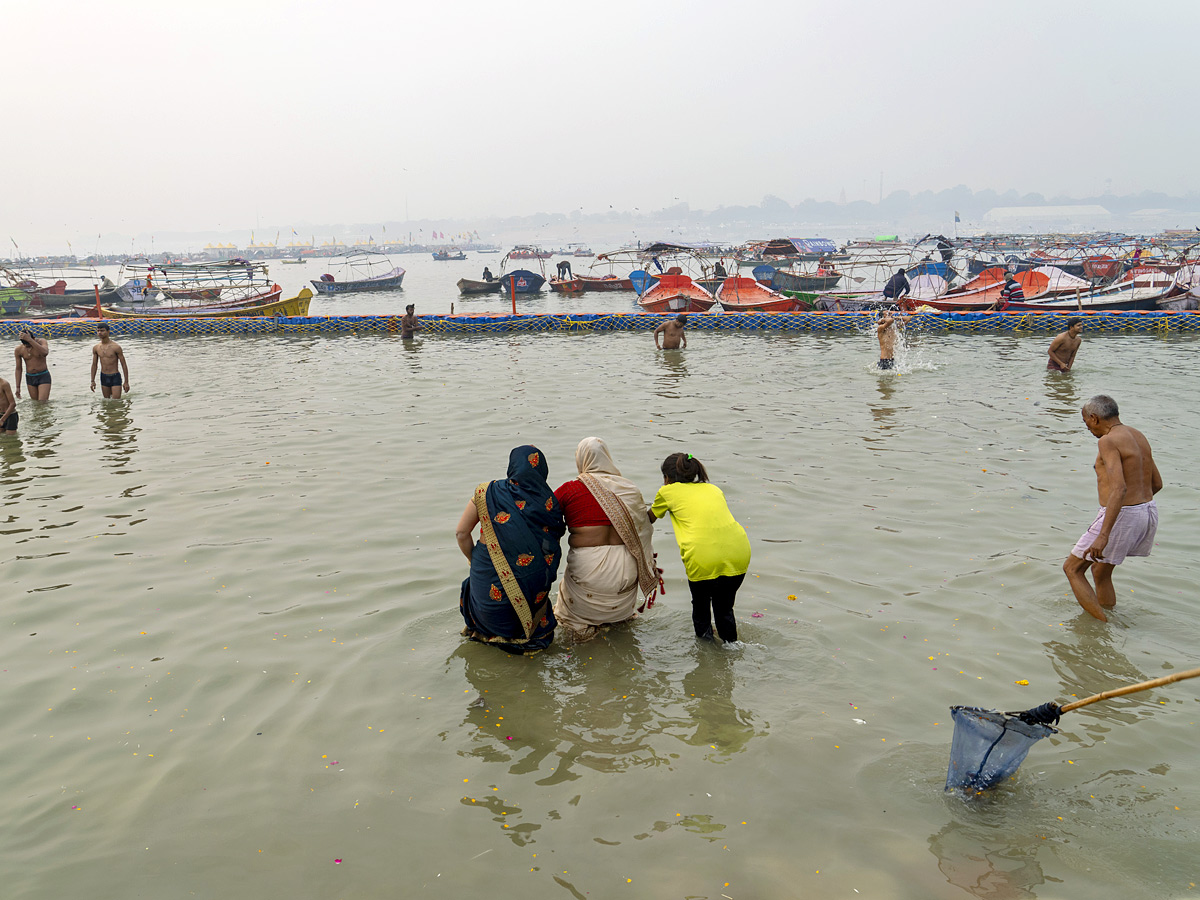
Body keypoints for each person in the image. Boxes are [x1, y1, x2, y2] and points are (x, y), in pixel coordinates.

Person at [455, 445, 566, 653]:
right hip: (528, 599)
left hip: (487, 601)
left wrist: (476, 561)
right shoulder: (548, 503)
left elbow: (461, 533)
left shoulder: (486, 492)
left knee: (471, 583)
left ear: (512, 466)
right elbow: (549, 551)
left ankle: (482, 632)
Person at [1063, 395, 1162, 622]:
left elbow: (1119, 489)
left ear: (1094, 418)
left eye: (1085, 421)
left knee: (1073, 569)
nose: (1087, 427)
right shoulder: (1138, 435)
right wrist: (1136, 509)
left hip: (1123, 514)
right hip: (1147, 510)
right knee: (1100, 571)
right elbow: (1157, 484)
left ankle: (1103, 628)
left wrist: (1104, 534)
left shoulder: (1107, 441)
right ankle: (1107, 616)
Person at [552, 437, 660, 641]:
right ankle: (619, 619)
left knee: (567, 616)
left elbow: (545, 522)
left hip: (588, 576)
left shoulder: (570, 490)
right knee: (619, 620)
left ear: (581, 460)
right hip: (626, 576)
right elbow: (644, 527)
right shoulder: (630, 489)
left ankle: (580, 628)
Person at [649, 453, 751, 644]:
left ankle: (706, 659)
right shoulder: (713, 489)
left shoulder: (667, 492)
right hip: (739, 552)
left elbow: (648, 519)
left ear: (667, 478)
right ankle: (730, 649)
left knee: (702, 610)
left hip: (703, 557)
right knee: (724, 609)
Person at [90, 323, 130, 399]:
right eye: (98, 331)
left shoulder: (116, 347)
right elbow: (94, 365)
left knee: (116, 402)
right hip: (104, 376)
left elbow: (124, 365)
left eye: (102, 331)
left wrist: (126, 382)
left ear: (108, 332)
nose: (99, 333)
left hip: (115, 376)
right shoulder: (96, 348)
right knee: (107, 402)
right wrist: (92, 381)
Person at [14, 330, 51, 402]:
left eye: (29, 344)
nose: (27, 347)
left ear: (33, 338)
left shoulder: (41, 342)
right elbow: (18, 369)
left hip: (43, 375)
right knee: (35, 404)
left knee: (42, 403)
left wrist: (30, 340)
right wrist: (18, 387)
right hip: (30, 377)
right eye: (25, 345)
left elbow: (45, 353)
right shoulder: (19, 349)